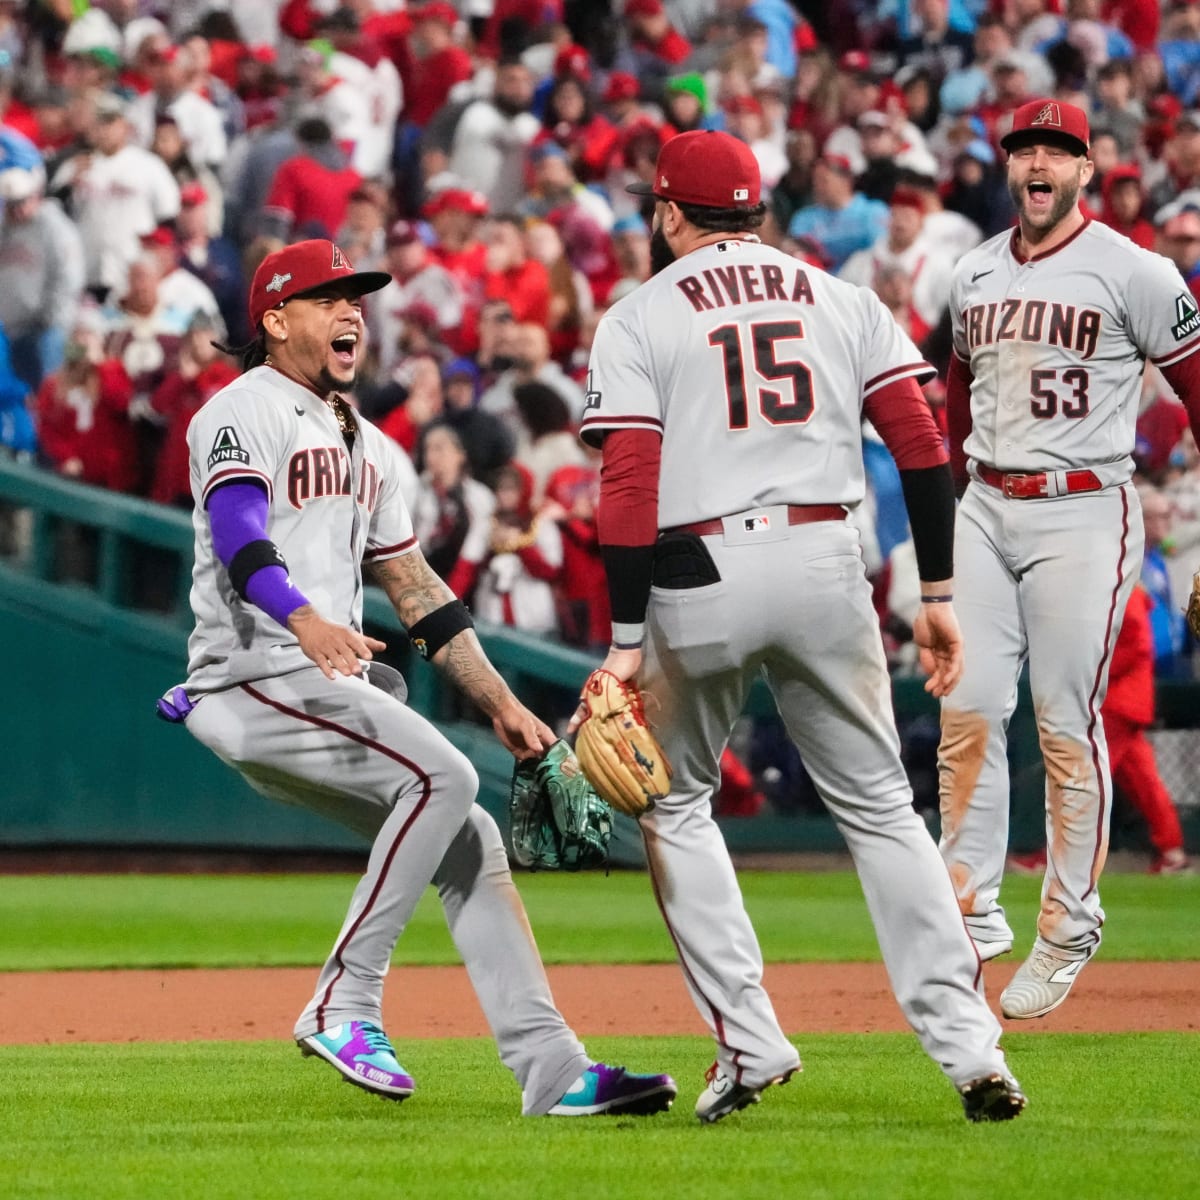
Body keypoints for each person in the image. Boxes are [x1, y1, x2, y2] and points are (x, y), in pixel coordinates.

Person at [158, 238, 676, 1118]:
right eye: (328, 298)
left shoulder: (367, 444)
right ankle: (342, 1001)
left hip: (315, 682)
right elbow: (243, 539)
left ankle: (553, 1070)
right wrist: (307, 618)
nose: (352, 311)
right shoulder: (241, 410)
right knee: (445, 774)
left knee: (468, 836)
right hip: (255, 673)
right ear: (276, 321)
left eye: (357, 297)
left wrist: (502, 701)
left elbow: (418, 593)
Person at [575, 129, 1026, 1124]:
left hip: (699, 566)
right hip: (828, 558)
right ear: (758, 208)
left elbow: (629, 482)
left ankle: (750, 1041)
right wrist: (940, 592)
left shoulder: (639, 313)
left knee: (676, 805)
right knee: (879, 808)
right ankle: (972, 1051)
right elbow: (921, 438)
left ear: (667, 213)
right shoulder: (839, 295)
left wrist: (622, 639)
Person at [938, 100, 1200, 1021]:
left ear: (1088, 170)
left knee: (1063, 720)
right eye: (1024, 149)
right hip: (984, 501)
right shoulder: (971, 271)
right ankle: (968, 907)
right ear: (1009, 169)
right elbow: (955, 411)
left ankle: (1070, 921)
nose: (1038, 161)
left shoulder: (1138, 271)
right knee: (966, 707)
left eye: (1058, 149)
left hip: (1084, 508)